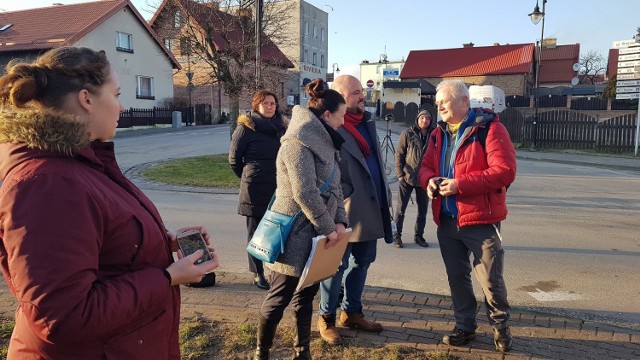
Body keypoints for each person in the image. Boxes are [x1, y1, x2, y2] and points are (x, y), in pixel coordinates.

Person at [0, 46, 219, 359]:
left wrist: (161, 243)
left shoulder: (78, 163)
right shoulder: (46, 183)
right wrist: (168, 277)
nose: (121, 106)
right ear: (86, 99)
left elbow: (102, 244)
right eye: (116, 94)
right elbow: (64, 317)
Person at [418, 79, 516, 352]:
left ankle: (500, 327)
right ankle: (465, 326)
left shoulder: (490, 129)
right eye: (437, 104)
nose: (439, 108)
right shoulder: (438, 134)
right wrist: (430, 180)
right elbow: (424, 166)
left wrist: (461, 184)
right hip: (448, 220)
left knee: (490, 279)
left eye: (443, 103)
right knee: (457, 277)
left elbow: (505, 171)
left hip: (481, 220)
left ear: (463, 101)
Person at [254, 78, 349, 360]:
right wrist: (329, 228)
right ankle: (262, 353)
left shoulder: (325, 141)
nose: (343, 122)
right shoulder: (297, 143)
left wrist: (340, 221)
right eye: (341, 116)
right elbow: (305, 192)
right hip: (293, 234)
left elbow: (336, 186)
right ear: (327, 115)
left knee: (306, 296)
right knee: (279, 297)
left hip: (319, 234)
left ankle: (302, 351)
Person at [317, 75, 393, 345]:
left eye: (361, 91)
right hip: (344, 209)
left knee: (363, 261)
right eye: (355, 93)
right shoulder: (331, 127)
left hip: (371, 206)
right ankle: (326, 317)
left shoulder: (367, 123)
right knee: (336, 265)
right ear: (340, 98)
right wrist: (345, 193)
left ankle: (351, 312)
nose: (362, 96)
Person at [229, 90, 287, 290]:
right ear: (257, 107)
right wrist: (249, 175)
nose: (270, 107)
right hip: (254, 188)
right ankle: (258, 272)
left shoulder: (282, 127)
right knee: (255, 233)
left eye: (272, 103)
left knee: (279, 229)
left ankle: (278, 270)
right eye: (265, 104)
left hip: (279, 187)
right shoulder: (246, 128)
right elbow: (234, 160)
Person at [392, 109, 435, 248]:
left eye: (427, 118)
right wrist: (399, 175)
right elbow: (399, 154)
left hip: (424, 179)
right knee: (401, 209)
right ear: (417, 119)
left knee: (423, 210)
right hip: (407, 176)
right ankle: (397, 236)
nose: (425, 121)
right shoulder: (408, 134)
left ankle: (419, 236)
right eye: (422, 118)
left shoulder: (434, 135)